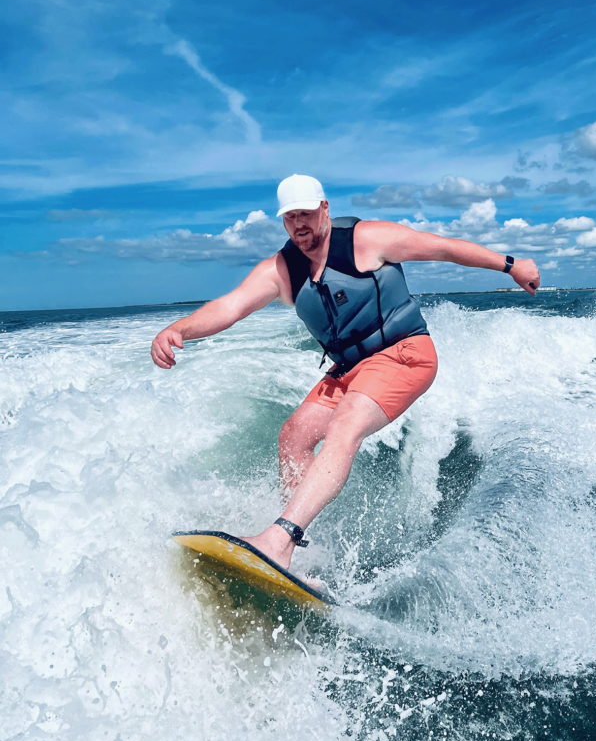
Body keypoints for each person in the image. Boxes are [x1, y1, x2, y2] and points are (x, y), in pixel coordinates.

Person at [151, 175, 540, 571]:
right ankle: (302, 555)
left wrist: (511, 265)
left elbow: (443, 247)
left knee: (346, 423)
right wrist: (178, 329)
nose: (299, 224)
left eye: (305, 213)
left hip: (404, 354)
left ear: (324, 209)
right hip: (349, 369)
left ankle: (279, 539)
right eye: (290, 218)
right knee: (294, 436)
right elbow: (229, 307)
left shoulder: (367, 240)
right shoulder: (281, 270)